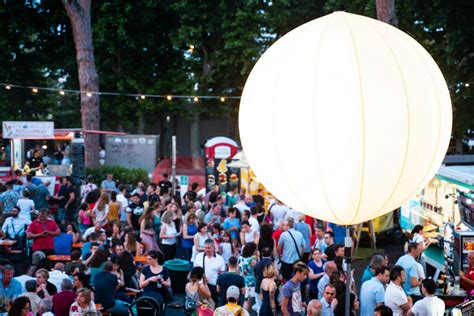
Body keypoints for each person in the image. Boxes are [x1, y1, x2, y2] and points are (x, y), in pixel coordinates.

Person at [194, 239, 226, 305]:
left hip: (214, 286)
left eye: (209, 248)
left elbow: (222, 274)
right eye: (205, 248)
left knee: (213, 304)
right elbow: (194, 271)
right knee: (200, 306)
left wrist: (219, 287)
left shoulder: (220, 259)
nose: (206, 250)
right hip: (201, 285)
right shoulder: (198, 256)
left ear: (213, 248)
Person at [238, 242, 259, 311]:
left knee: (246, 299)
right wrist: (258, 257)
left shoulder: (240, 258)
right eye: (255, 249)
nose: (257, 250)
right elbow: (258, 268)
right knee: (248, 300)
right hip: (250, 282)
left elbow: (238, 270)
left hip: (242, 280)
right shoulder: (251, 260)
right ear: (252, 250)